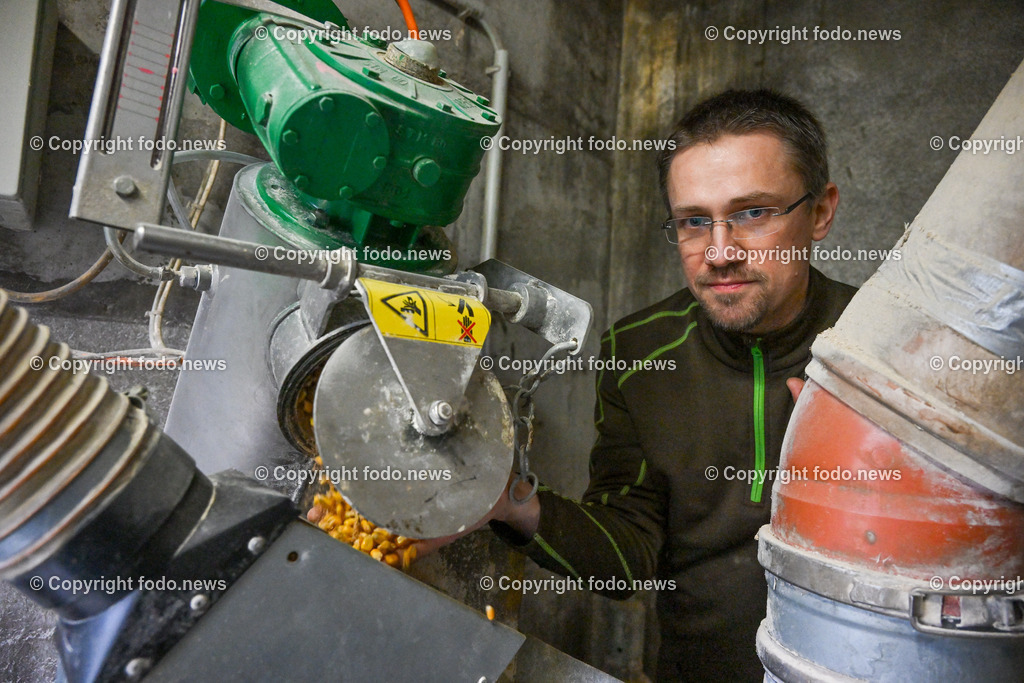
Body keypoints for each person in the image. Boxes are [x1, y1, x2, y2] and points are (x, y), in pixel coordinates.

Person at [484, 89, 858, 681]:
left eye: (753, 213)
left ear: (819, 212)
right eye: (694, 221)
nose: (720, 252)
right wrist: (508, 501)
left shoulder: (885, 346)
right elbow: (628, 555)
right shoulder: (639, 353)